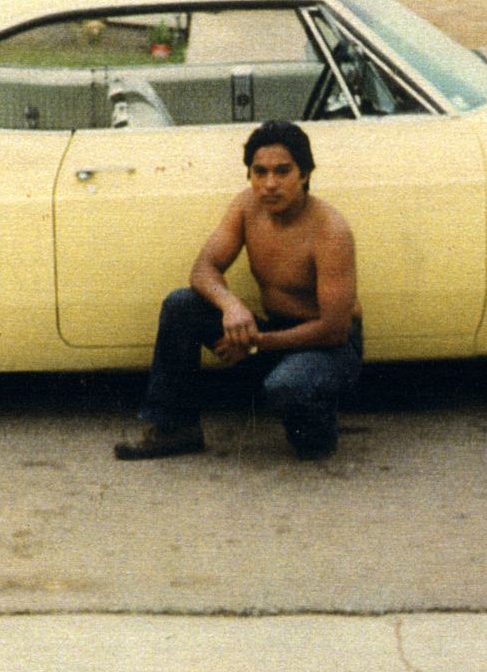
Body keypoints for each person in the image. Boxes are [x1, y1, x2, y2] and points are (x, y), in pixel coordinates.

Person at [114, 120, 362, 462]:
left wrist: (254, 341)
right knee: (182, 304)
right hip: (273, 333)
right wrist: (231, 306)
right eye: (259, 172)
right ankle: (175, 426)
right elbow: (203, 269)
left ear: (304, 174)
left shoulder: (329, 229)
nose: (270, 184)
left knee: (299, 415)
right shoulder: (247, 207)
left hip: (329, 349)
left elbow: (335, 330)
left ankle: (320, 422)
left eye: (282, 171)